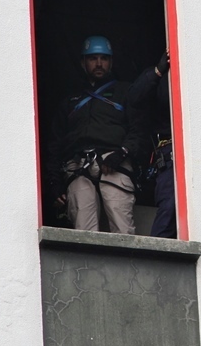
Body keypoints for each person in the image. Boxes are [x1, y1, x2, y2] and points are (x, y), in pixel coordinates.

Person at [47, 35, 143, 234]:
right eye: (93, 58)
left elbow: (139, 129)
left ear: (111, 62)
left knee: (122, 228)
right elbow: (55, 144)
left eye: (104, 58)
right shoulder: (70, 100)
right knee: (84, 232)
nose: (99, 64)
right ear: (83, 63)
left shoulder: (125, 92)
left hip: (115, 162)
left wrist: (123, 153)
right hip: (78, 166)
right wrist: (54, 182)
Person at [134, 51, 177, 238]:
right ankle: (159, 251)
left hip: (197, 151)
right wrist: (158, 72)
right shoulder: (159, 76)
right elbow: (134, 99)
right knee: (169, 206)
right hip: (168, 150)